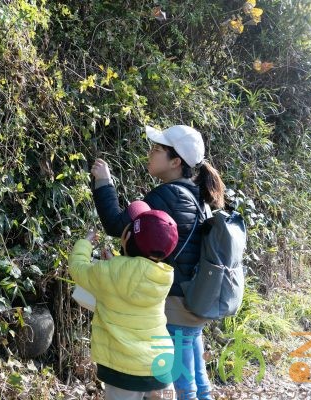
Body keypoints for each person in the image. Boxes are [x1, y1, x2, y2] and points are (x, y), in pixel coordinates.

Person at [90, 125, 225, 400]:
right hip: (193, 300)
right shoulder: (198, 196)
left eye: (157, 150)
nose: (150, 154)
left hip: (174, 305)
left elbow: (118, 225)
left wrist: (104, 182)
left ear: (176, 162)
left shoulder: (169, 195)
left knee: (180, 386)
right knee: (196, 381)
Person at [68, 200, 178, 400]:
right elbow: (135, 278)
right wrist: (114, 264)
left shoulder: (108, 272)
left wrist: (85, 243)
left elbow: (77, 268)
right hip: (161, 365)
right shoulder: (165, 276)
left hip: (124, 369)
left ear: (126, 237)